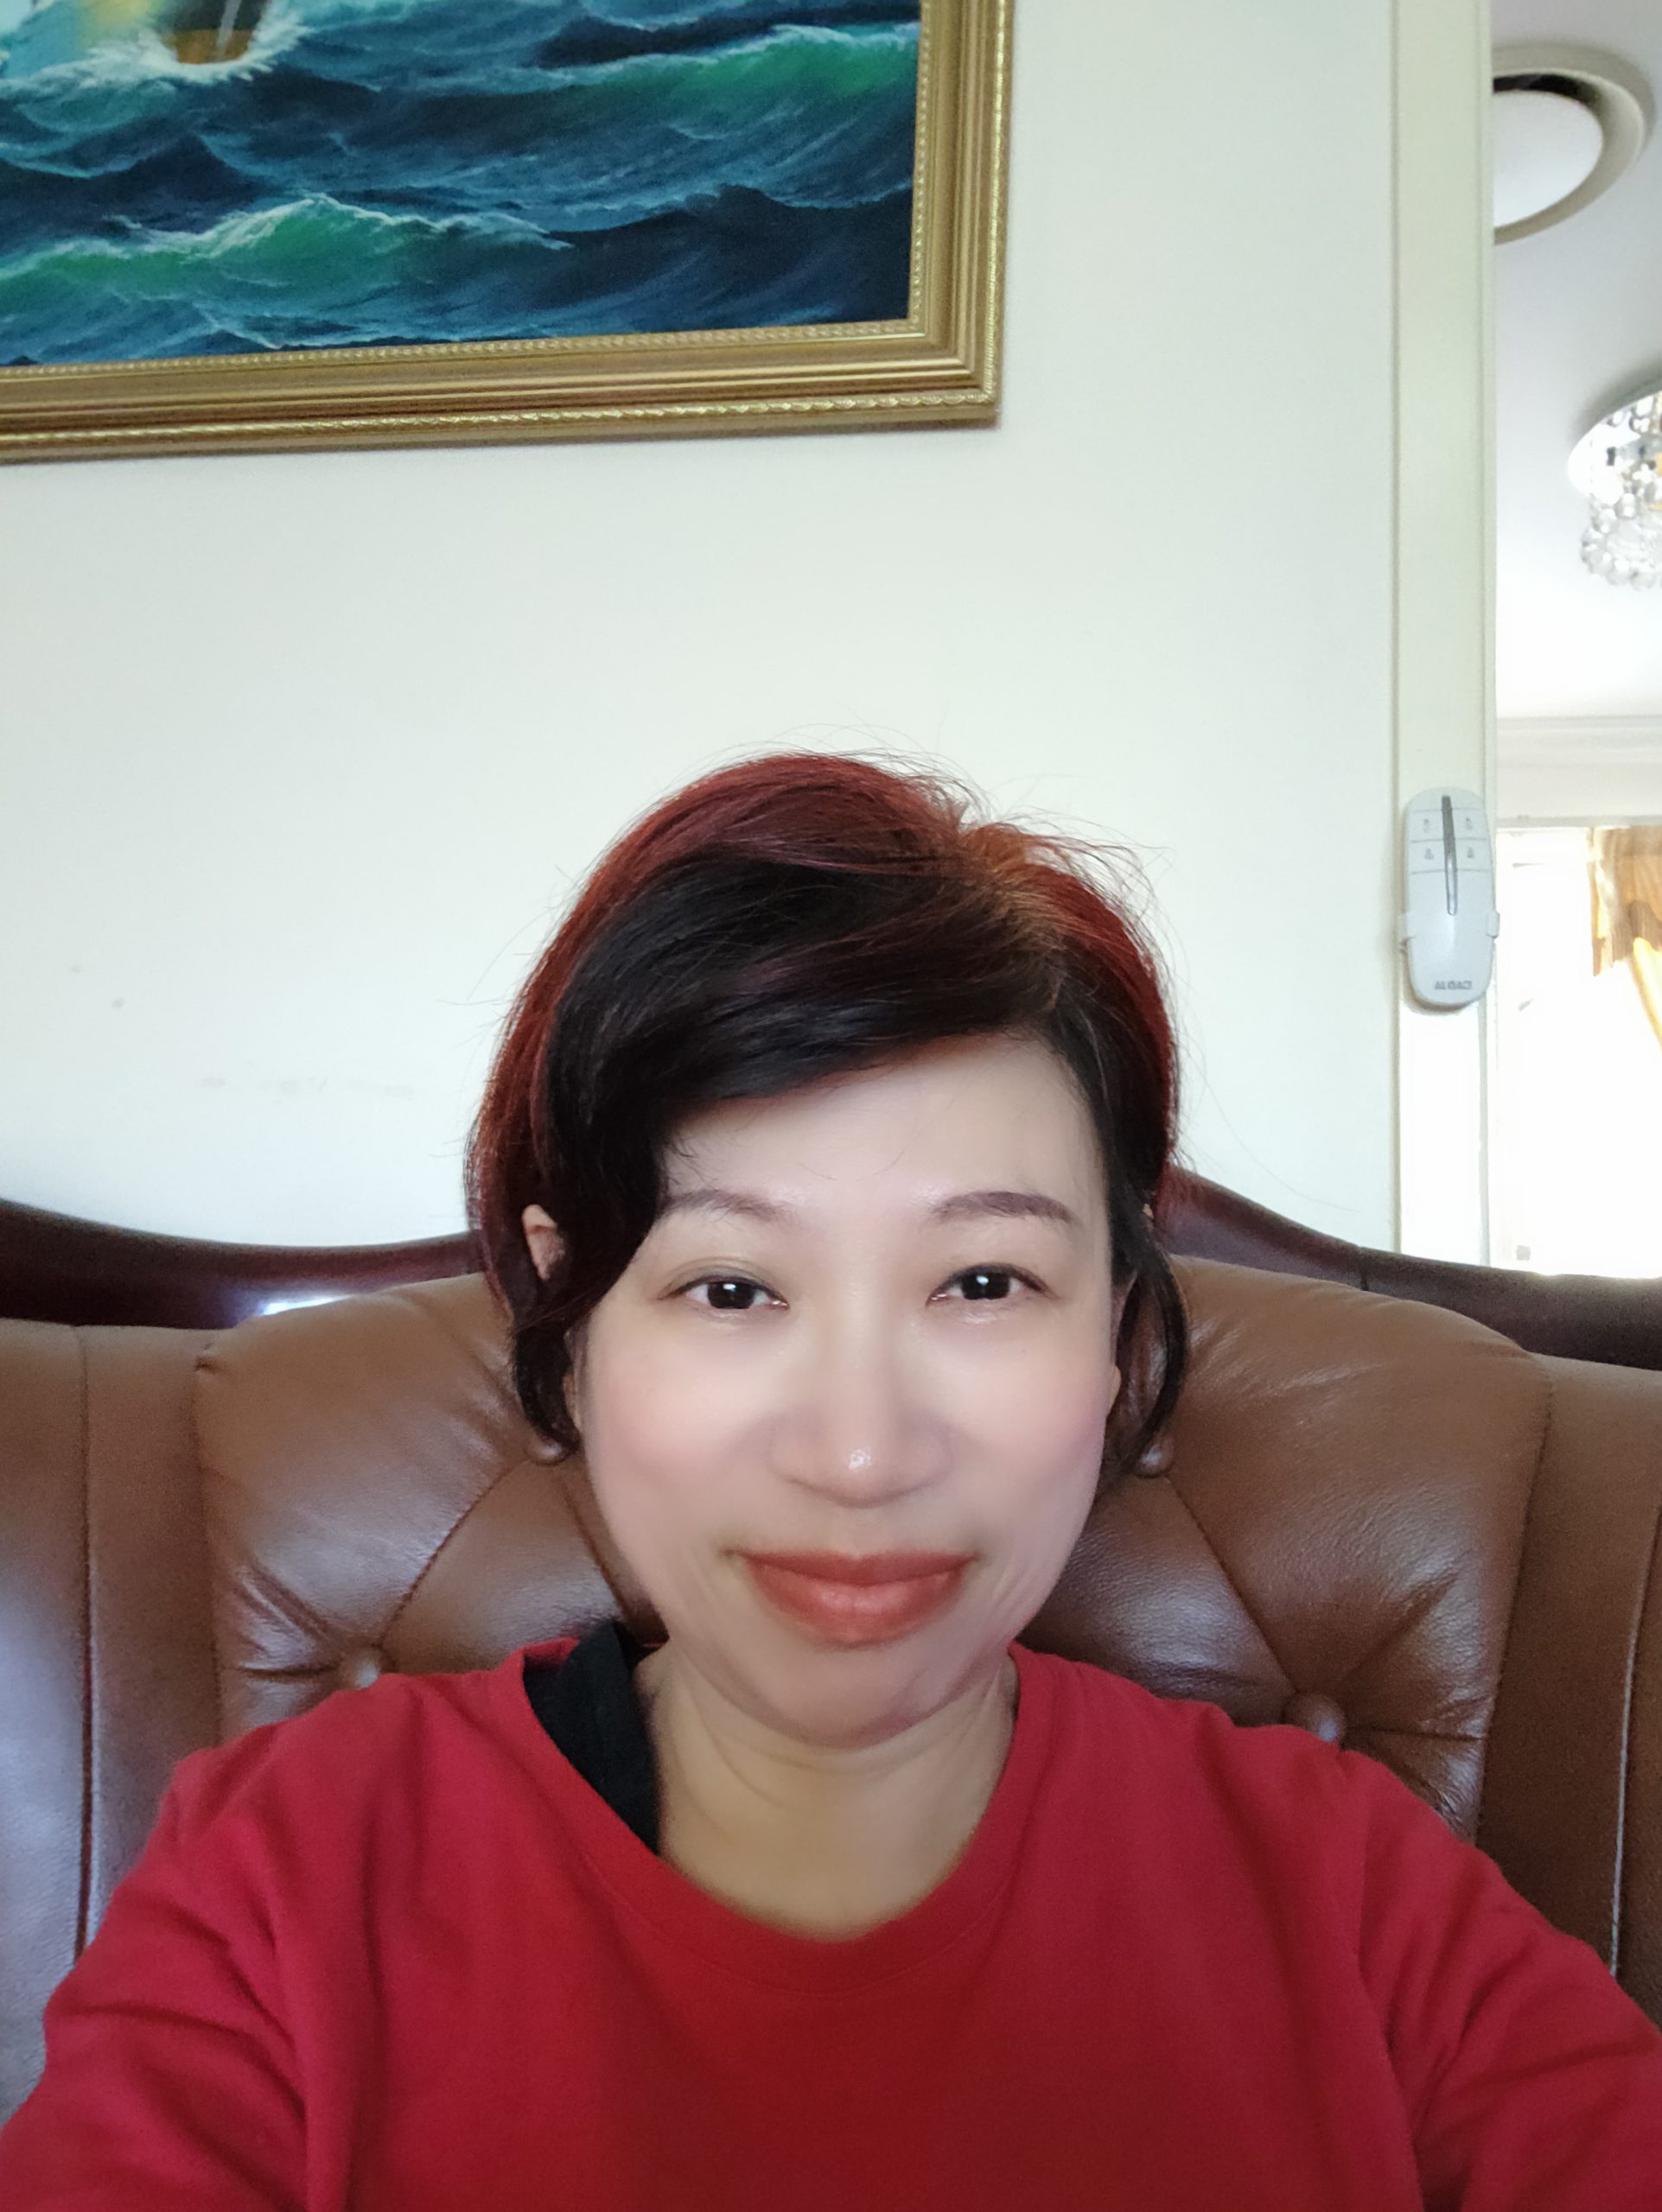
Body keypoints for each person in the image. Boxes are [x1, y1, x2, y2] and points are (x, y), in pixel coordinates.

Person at [2, 750, 1659, 2210]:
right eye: (731, 1289)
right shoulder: (288, 1877)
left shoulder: (1356, 1901)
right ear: (572, 1329)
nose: (861, 1455)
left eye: (984, 1283)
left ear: (1117, 1340)